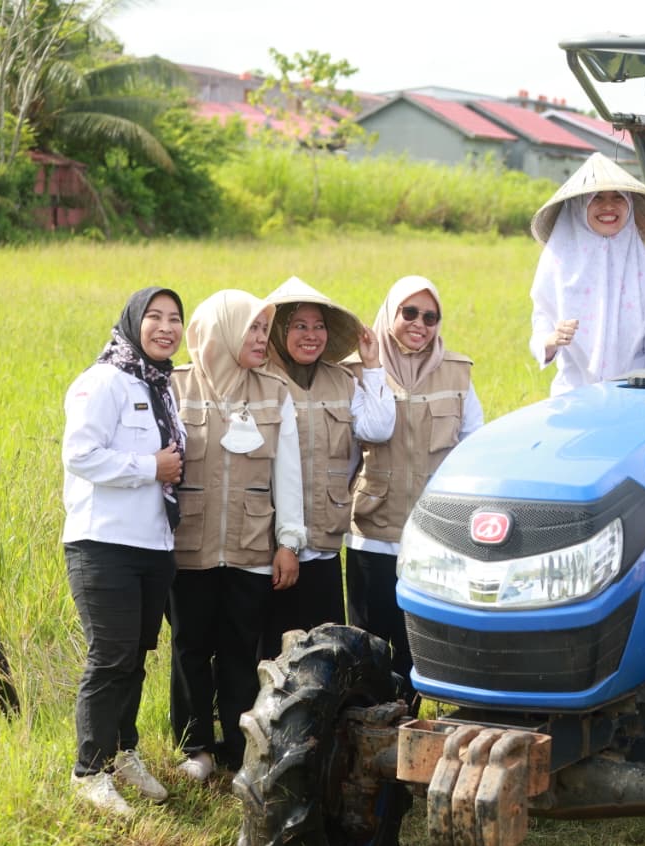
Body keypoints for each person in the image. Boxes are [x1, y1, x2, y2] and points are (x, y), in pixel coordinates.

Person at [169, 289, 306, 780]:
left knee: (239, 651)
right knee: (189, 647)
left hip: (250, 547)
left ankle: (235, 748)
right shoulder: (175, 387)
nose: (260, 338)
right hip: (189, 547)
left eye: (263, 329)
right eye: (250, 328)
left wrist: (288, 541)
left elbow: (287, 474)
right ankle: (194, 749)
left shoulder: (274, 391)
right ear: (220, 332)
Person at [62, 287, 186, 815]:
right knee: (109, 656)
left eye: (175, 318)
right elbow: (81, 455)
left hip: (152, 544)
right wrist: (148, 469)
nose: (165, 327)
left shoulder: (161, 386)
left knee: (135, 657)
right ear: (133, 322)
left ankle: (123, 753)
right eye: (154, 317)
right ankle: (87, 772)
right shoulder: (103, 380)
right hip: (102, 543)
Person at [345, 275, 484, 684]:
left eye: (430, 316)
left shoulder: (457, 373)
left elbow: (473, 444)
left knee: (417, 643)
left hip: (431, 533)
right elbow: (362, 441)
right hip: (372, 529)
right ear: (391, 313)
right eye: (409, 313)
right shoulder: (356, 372)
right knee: (368, 643)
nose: (419, 323)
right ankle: (368, 731)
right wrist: (373, 370)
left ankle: (407, 727)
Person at [259, 277, 396, 660]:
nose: (311, 335)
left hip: (323, 543)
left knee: (324, 651)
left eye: (319, 326)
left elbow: (378, 428)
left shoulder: (342, 381)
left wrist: (372, 366)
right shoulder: (260, 380)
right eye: (299, 325)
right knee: (271, 648)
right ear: (278, 330)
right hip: (268, 545)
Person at [528, 152, 645, 396]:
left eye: (619, 197)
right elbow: (541, 325)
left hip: (635, 395)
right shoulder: (557, 263)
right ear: (579, 206)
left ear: (629, 204)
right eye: (597, 198)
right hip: (573, 395)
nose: (609, 206)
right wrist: (551, 341)